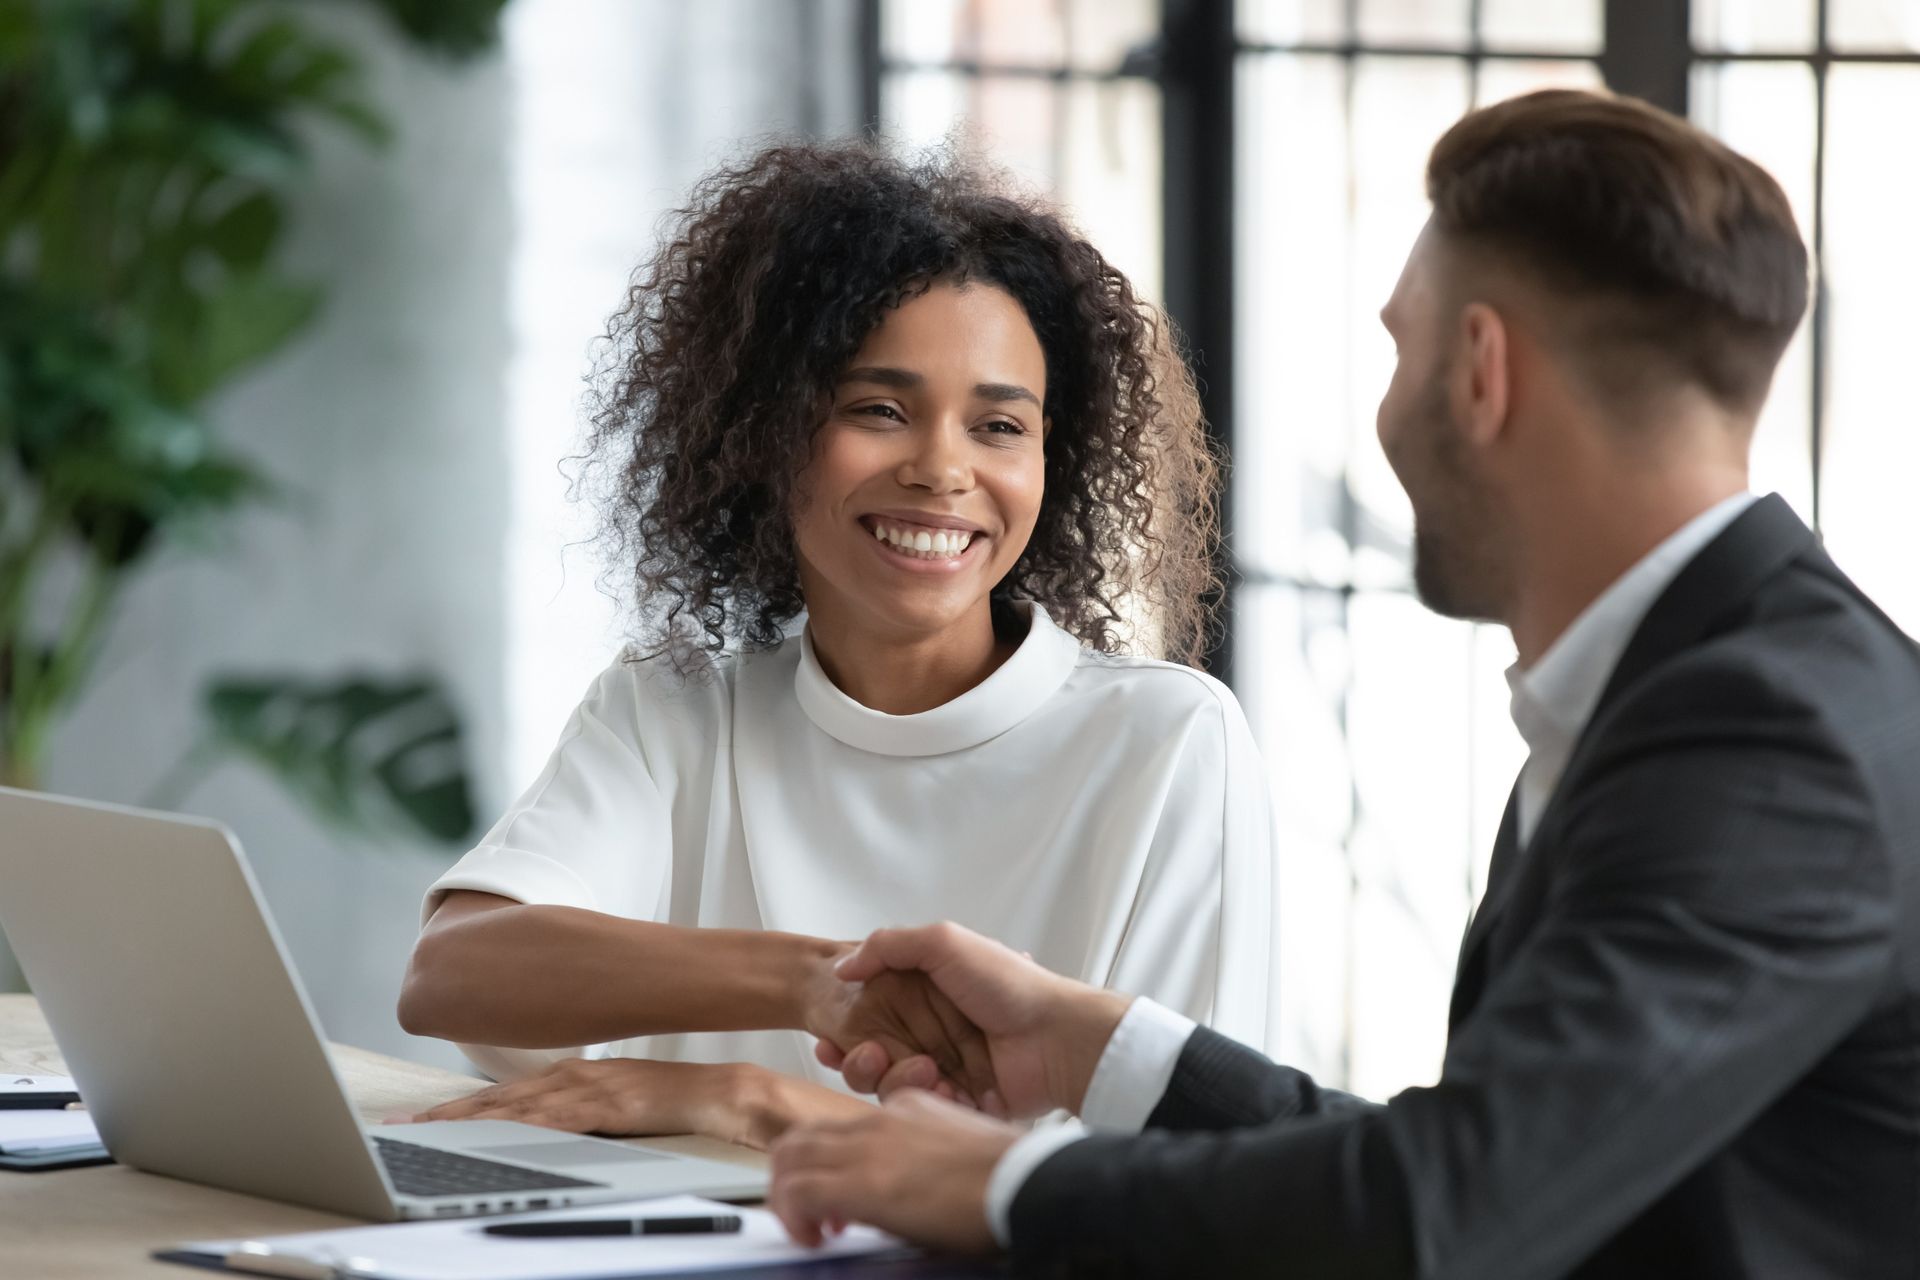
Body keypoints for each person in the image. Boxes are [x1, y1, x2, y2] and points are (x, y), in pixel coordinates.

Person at [771, 90, 1920, 1277]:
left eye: (1398, 348)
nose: (1384, 406)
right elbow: (1499, 1157)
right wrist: (1105, 1052)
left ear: (1481, 370)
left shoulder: (1767, 741)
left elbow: (1442, 1209)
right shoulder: (1708, 686)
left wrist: (1005, 1181)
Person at [393, 141, 1275, 1152]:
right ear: (764, 434)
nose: (944, 469)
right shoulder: (675, 710)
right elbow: (451, 973)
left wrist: (753, 1100)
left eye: (999, 425)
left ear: (1051, 458)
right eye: (880, 410)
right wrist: (812, 981)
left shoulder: (1165, 740)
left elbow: (1187, 1178)